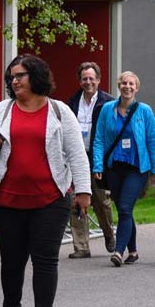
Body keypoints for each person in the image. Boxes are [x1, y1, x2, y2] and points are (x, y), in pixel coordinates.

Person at [0, 52, 91, 307]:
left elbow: (77, 154)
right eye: (11, 77)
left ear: (35, 76)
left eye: (20, 75)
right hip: (8, 198)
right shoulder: (2, 110)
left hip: (51, 198)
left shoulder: (60, 111)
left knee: (46, 260)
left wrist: (84, 191)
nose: (14, 81)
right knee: (11, 260)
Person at [91, 70, 155, 267]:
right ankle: (134, 250)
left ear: (136, 87)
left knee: (124, 207)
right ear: (118, 86)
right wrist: (97, 165)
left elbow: (152, 140)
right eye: (124, 83)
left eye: (131, 84)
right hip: (115, 167)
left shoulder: (144, 110)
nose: (127, 87)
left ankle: (118, 252)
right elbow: (99, 139)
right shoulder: (107, 109)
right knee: (124, 211)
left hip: (137, 168)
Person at [65, 60, 116, 256]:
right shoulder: (72, 102)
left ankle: (109, 233)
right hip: (77, 157)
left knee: (100, 200)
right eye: (84, 79)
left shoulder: (108, 102)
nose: (88, 82)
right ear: (80, 81)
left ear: (99, 80)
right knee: (75, 200)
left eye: (91, 78)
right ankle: (81, 246)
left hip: (98, 157)